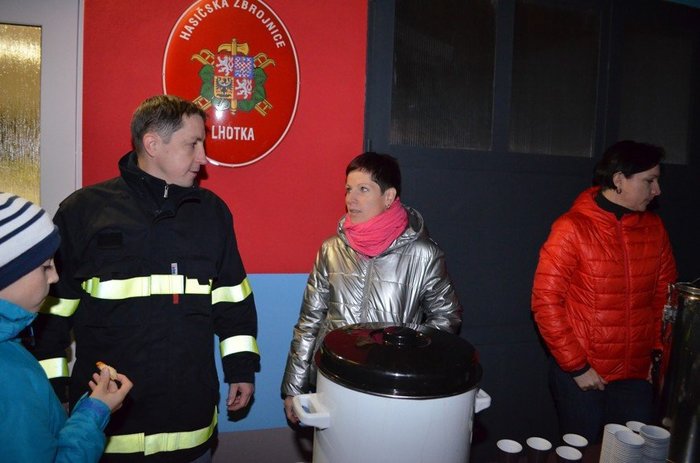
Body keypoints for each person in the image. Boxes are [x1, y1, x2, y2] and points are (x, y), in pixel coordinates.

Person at [31, 95, 260, 462]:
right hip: (108, 434)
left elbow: (233, 300)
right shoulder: (83, 212)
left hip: (191, 426)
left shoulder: (212, 214)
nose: (203, 158)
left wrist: (241, 368)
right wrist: (54, 393)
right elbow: (49, 317)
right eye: (193, 144)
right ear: (153, 144)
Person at [281, 151, 463, 422]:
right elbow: (309, 322)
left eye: (363, 189)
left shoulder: (424, 255)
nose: (351, 199)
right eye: (348, 189)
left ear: (388, 197)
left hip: (391, 389)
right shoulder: (331, 250)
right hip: (333, 382)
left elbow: (447, 317)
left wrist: (408, 360)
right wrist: (293, 389)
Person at [531, 140, 677, 443]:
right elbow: (546, 302)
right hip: (585, 376)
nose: (657, 190)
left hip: (637, 377)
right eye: (649, 181)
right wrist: (577, 367)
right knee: (583, 453)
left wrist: (657, 360)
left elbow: (665, 301)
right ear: (619, 179)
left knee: (631, 455)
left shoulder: (655, 229)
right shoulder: (572, 228)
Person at [0, 192, 133, 462]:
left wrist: (90, 407)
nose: (55, 276)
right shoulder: (9, 378)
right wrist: (94, 415)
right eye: (45, 267)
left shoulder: (10, 348)